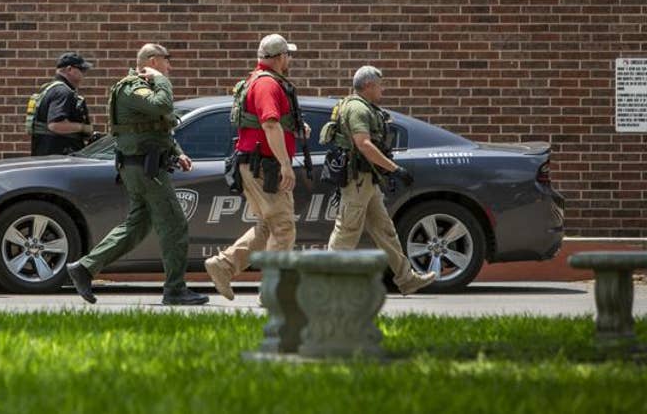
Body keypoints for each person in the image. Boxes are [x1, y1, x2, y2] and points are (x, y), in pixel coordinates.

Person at [66, 44, 208, 306]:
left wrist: (177, 152)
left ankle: (84, 268)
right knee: (175, 225)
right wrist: (162, 81)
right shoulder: (133, 87)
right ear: (153, 61)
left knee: (137, 226)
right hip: (145, 168)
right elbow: (161, 105)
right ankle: (175, 289)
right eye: (167, 62)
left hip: (144, 165)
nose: (170, 68)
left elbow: (158, 125)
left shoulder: (145, 86)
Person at [203, 34, 308, 301]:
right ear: (279, 57)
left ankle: (223, 266)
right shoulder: (267, 85)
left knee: (267, 227)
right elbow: (269, 124)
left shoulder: (259, 81)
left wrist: (293, 128)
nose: (290, 59)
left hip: (256, 163)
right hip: (266, 167)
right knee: (283, 227)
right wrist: (286, 164)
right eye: (288, 55)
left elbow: (274, 123)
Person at [325, 65, 436, 295]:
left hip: (367, 180)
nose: (382, 90)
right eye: (379, 85)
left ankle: (406, 278)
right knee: (346, 231)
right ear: (367, 85)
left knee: (385, 230)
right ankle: (325, 282)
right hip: (358, 180)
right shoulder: (357, 109)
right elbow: (363, 144)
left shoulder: (364, 107)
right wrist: (395, 169)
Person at [29, 52, 95, 156]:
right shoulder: (63, 92)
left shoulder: (49, 89)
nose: (84, 74)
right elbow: (55, 125)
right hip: (59, 157)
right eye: (82, 70)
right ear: (70, 69)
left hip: (47, 155)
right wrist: (83, 128)